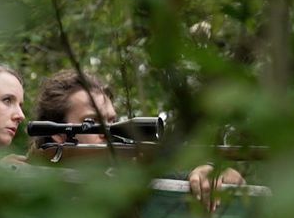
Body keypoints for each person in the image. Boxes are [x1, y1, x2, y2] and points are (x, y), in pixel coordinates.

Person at [30, 69, 245, 210]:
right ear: (59, 132)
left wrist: (209, 172)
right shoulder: (30, 185)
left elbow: (230, 178)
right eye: (91, 121)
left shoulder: (131, 176)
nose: (109, 131)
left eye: (112, 121)